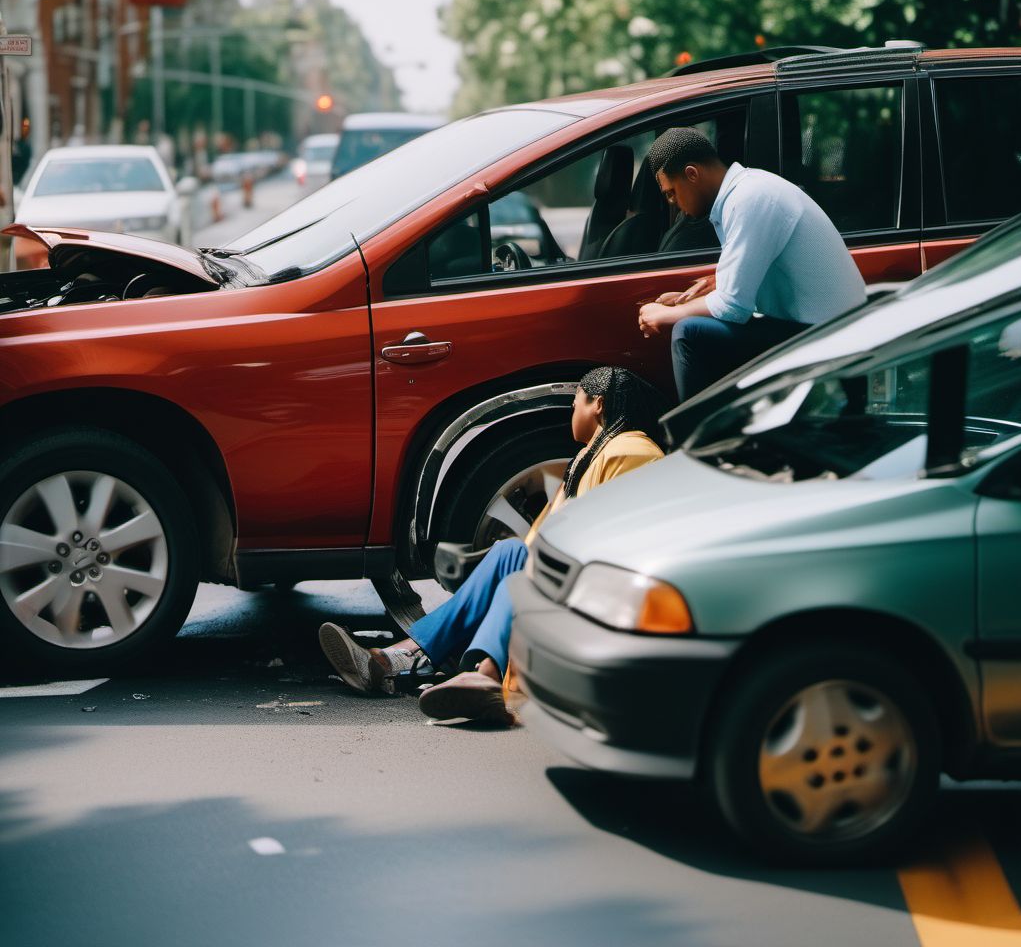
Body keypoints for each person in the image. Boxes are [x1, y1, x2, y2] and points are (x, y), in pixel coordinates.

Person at [318, 367, 665, 725]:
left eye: (575, 403)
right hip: (567, 576)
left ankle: (475, 673)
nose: (571, 414)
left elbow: (618, 540)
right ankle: (400, 660)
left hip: (599, 588)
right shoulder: (592, 456)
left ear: (598, 404)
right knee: (510, 553)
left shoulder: (632, 450)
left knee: (519, 561)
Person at [637, 127, 866, 402]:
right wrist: (694, 299)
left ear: (692, 174)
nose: (673, 204)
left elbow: (733, 307)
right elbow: (740, 286)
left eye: (671, 193)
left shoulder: (750, 199)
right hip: (816, 328)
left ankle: (699, 442)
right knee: (697, 325)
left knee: (688, 333)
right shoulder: (746, 190)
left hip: (831, 338)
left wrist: (663, 315)